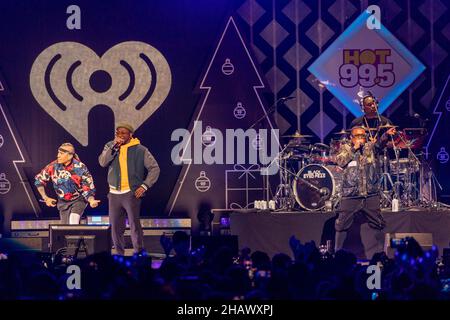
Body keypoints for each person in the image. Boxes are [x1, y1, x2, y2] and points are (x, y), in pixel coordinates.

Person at [98, 123, 160, 256]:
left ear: (130, 135)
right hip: (114, 194)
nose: (120, 135)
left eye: (123, 133)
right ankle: (119, 255)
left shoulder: (140, 149)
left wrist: (144, 186)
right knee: (115, 227)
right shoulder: (110, 146)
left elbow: (154, 168)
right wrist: (114, 147)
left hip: (131, 193)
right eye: (118, 133)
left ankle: (138, 253)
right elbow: (102, 162)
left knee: (134, 225)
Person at [334, 126, 388, 253]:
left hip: (370, 193)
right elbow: (340, 161)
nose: (361, 139)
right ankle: (337, 254)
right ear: (351, 138)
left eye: (363, 136)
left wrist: (385, 135)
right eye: (358, 136)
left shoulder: (369, 147)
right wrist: (354, 149)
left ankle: (383, 255)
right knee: (341, 224)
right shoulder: (345, 148)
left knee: (378, 223)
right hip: (351, 193)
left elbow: (380, 144)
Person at [35, 143, 100, 224]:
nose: (58, 156)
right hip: (63, 202)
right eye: (58, 153)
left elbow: (88, 187)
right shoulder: (53, 166)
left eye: (61, 153)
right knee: (65, 228)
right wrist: (46, 198)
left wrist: (91, 200)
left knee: (73, 221)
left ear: (70, 156)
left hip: (79, 199)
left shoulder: (80, 167)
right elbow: (39, 180)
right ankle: (77, 236)